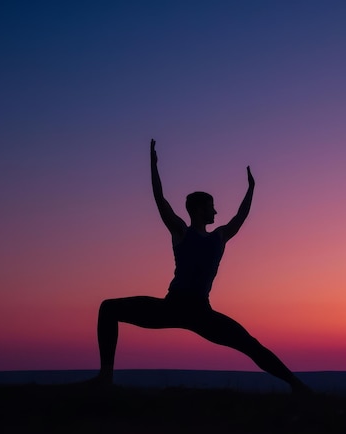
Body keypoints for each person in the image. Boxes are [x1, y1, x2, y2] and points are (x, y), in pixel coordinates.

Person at [91, 139, 309, 393]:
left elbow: (240, 217)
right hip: (172, 306)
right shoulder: (181, 232)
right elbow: (159, 200)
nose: (215, 212)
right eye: (211, 207)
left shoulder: (220, 236)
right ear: (198, 209)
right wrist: (153, 167)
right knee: (109, 308)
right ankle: (105, 378)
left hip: (200, 312)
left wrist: (251, 188)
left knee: (250, 344)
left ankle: (298, 386)